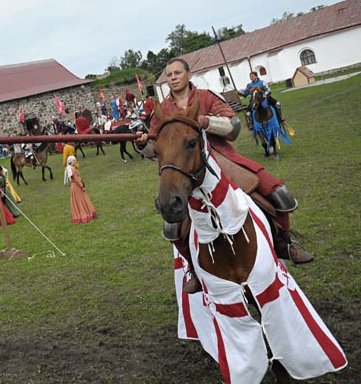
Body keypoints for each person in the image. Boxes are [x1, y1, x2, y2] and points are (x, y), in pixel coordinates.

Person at [134, 58, 313, 293]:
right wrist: (142, 144)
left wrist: (206, 121)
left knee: (279, 193)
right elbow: (156, 146)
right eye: (169, 75)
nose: (173, 77)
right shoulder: (163, 110)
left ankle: (284, 245)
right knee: (171, 225)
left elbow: (234, 126)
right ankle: (195, 269)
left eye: (178, 73)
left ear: (189, 74)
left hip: (222, 159)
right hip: (183, 169)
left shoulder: (207, 97)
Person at [64, 156, 97, 223]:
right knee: (81, 200)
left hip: (74, 186)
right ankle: (84, 214)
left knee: (78, 200)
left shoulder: (70, 168)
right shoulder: (72, 169)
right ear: (70, 162)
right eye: (74, 161)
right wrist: (82, 186)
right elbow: (76, 179)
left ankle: (80, 213)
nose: (75, 161)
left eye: (75, 160)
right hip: (76, 186)